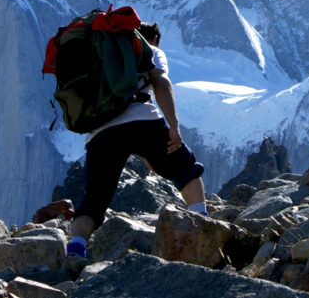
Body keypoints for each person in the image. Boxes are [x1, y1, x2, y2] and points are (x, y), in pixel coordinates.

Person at [66, 22, 206, 258]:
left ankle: (75, 250)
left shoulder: (101, 58)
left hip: (101, 131)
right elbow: (161, 83)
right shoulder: (150, 49)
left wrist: (146, 154)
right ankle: (202, 225)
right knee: (186, 169)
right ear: (153, 40)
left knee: (93, 202)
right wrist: (173, 125)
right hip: (142, 119)